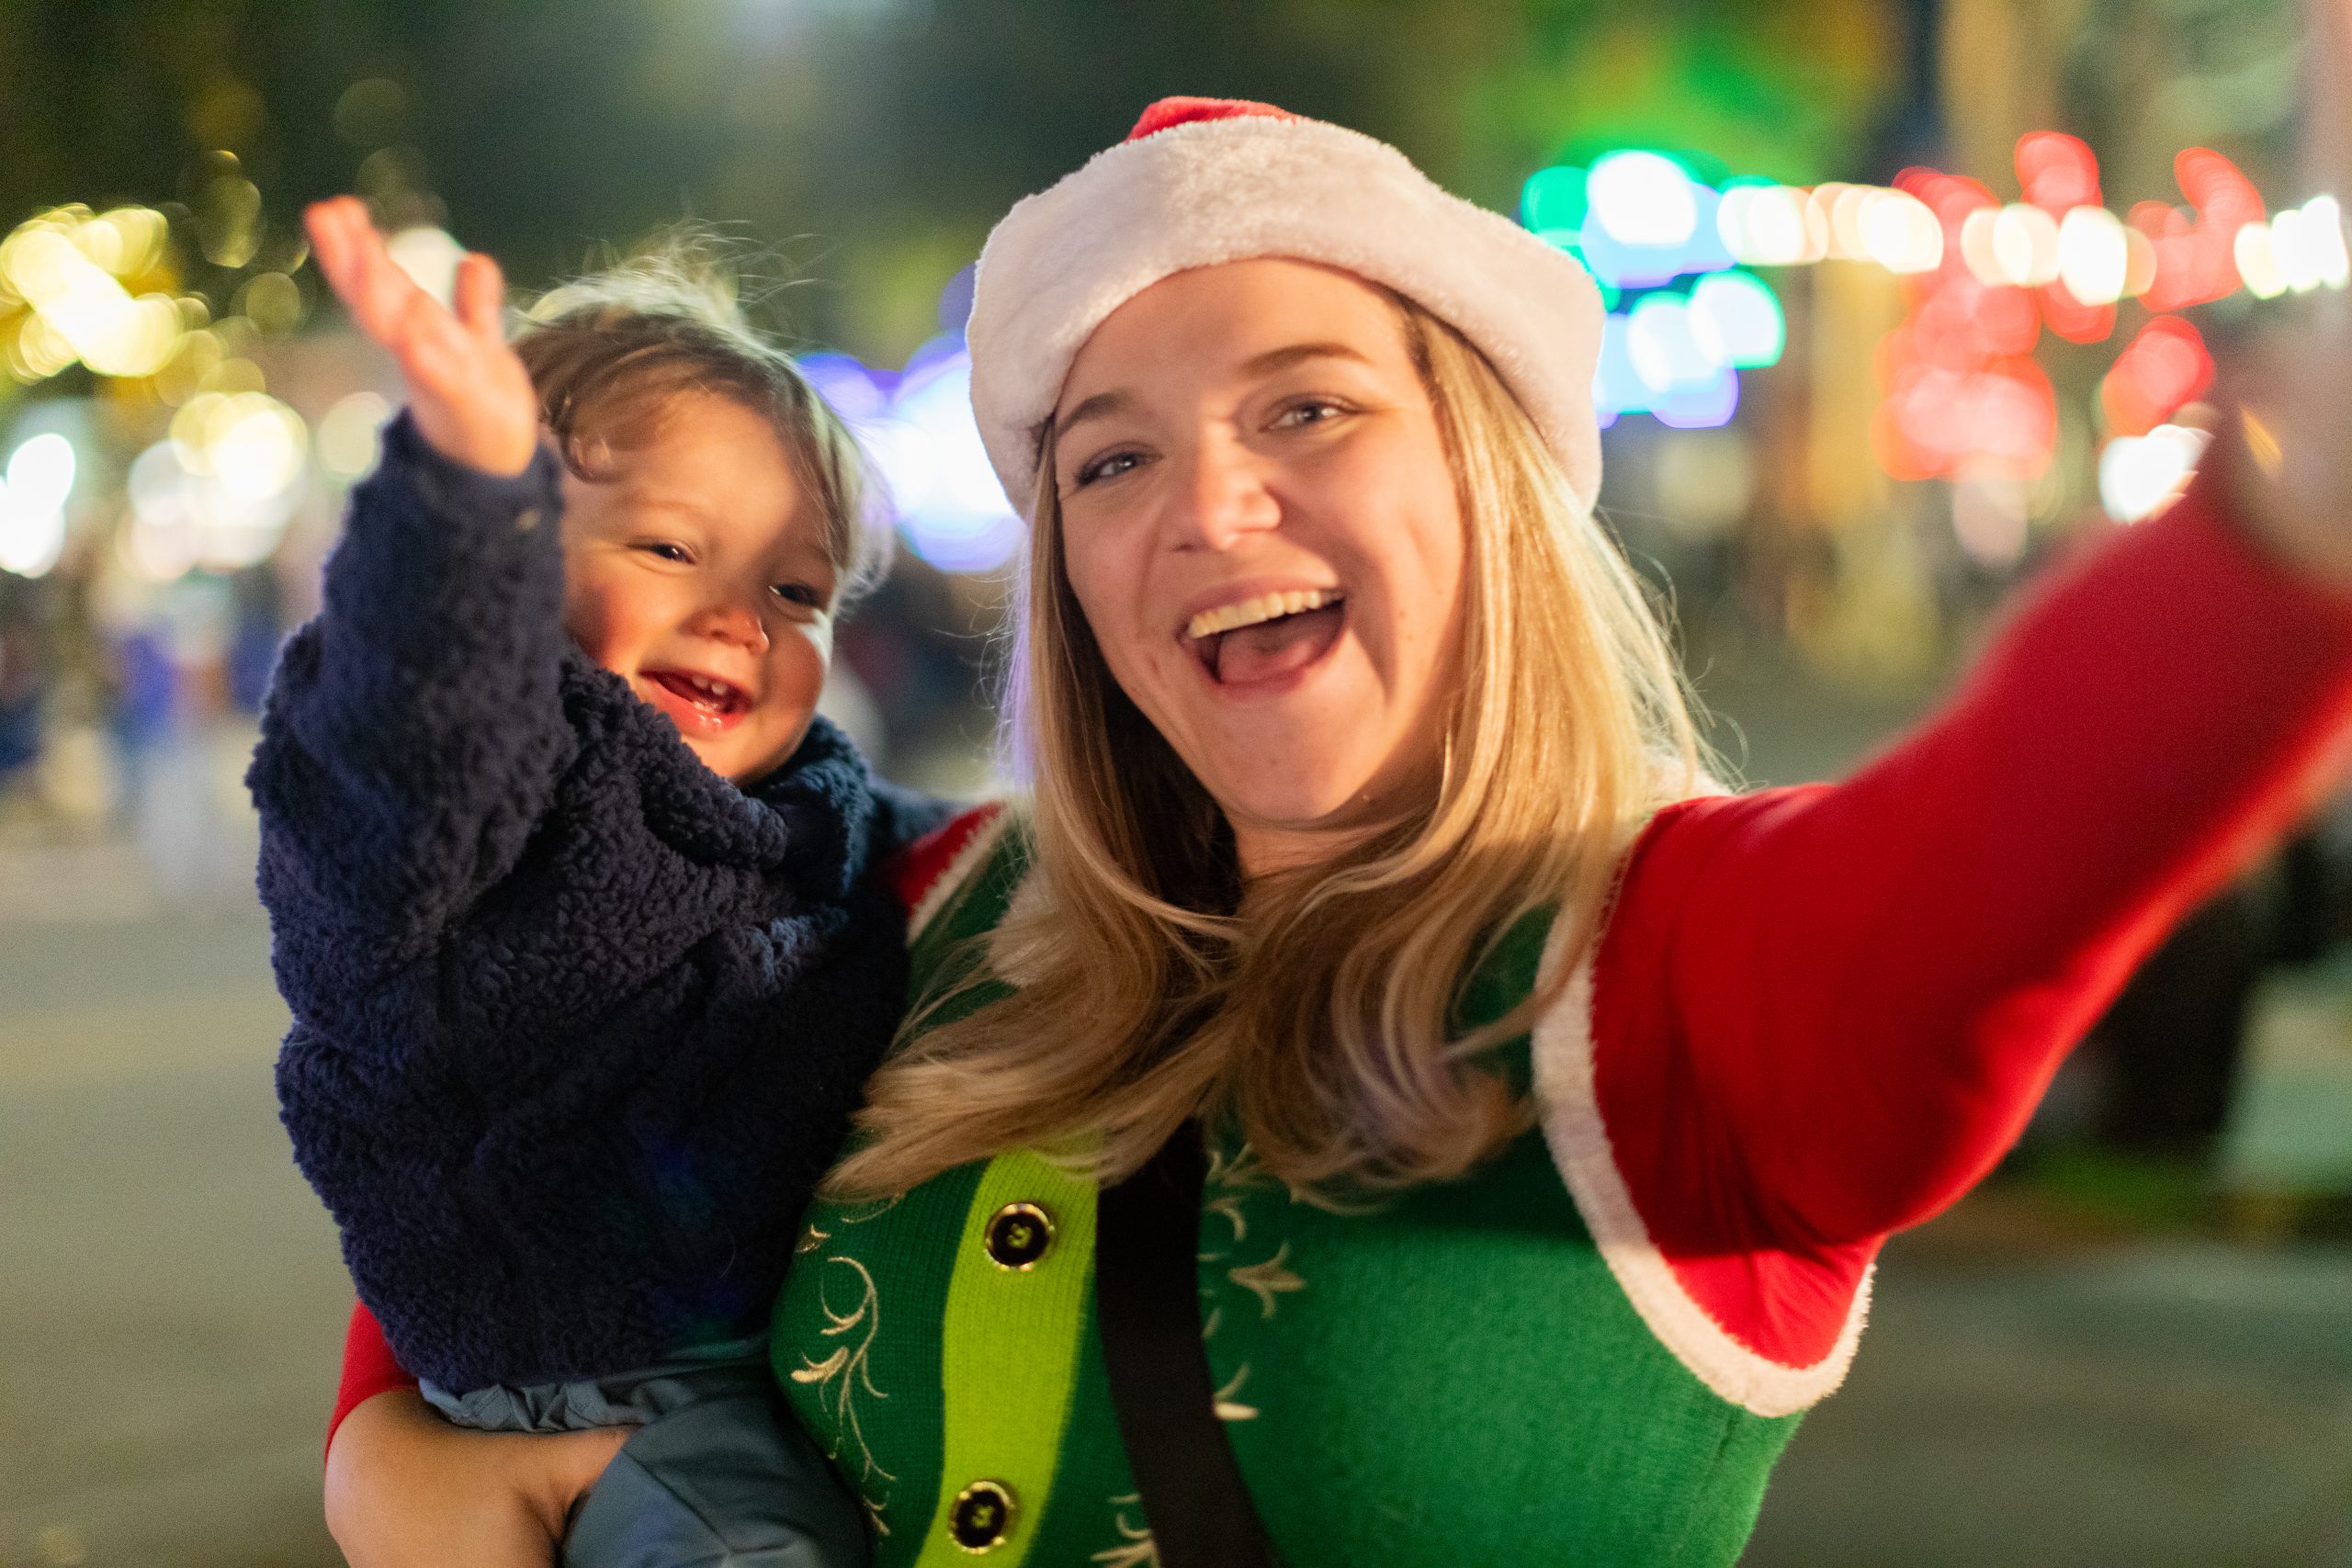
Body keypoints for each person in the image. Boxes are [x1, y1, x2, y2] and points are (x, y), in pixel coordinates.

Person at [322, 96, 2352, 1567]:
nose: (1204, 505)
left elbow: (2002, 854)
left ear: (1483, 477)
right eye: (1111, 456)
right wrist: (399, 1470)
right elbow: (491, 1134)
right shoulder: (901, 897)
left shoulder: (1660, 973)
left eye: (1304, 408)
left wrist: (2283, 533)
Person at [251, 200, 947, 1566]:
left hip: (767, 1374)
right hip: (604, 1405)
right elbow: (411, 724)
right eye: (673, 550)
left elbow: (933, 860)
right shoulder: (482, 811)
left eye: (799, 593)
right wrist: (458, 492)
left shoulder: (807, 813)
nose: (742, 618)